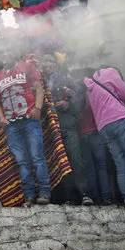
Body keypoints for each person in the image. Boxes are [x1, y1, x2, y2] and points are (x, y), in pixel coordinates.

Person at [0, 50, 50, 206]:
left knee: (37, 157)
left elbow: (39, 87)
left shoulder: (26, 67)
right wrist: (1, 118)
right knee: (22, 161)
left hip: (29, 119)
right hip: (11, 125)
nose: (6, 55)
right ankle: (29, 196)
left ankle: (44, 193)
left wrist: (37, 107)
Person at [84, 67, 125, 208]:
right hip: (119, 119)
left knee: (120, 162)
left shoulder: (89, 87)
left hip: (103, 127)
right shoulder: (110, 72)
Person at [41, 54, 93, 206]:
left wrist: (69, 105)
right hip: (50, 129)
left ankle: (84, 194)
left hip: (68, 126)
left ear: (56, 65)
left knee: (75, 159)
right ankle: (68, 197)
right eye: (44, 62)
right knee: (58, 163)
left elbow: (80, 100)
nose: (47, 64)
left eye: (49, 61)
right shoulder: (40, 83)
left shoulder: (66, 80)